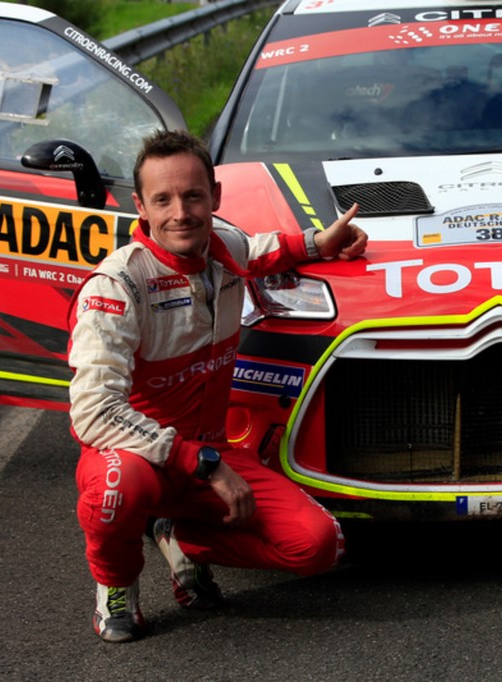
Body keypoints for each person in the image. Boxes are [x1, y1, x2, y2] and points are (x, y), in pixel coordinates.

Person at [68, 129, 368, 643]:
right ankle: (116, 586)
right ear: (141, 206)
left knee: (319, 545)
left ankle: (180, 538)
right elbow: (93, 413)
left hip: (211, 451)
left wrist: (318, 243)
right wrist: (205, 465)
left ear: (215, 197)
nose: (180, 213)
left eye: (193, 196)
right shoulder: (117, 286)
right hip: (142, 459)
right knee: (117, 488)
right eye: (163, 200)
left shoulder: (224, 246)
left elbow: (259, 250)